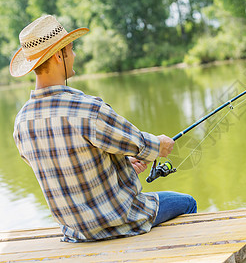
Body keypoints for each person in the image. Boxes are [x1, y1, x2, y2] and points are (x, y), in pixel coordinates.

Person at [10, 15, 196, 242]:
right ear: (59, 55)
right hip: (123, 219)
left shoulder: (21, 122)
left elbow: (64, 167)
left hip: (76, 232)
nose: (75, 55)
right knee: (187, 203)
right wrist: (162, 145)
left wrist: (120, 165)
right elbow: (143, 144)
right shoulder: (88, 109)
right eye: (71, 48)